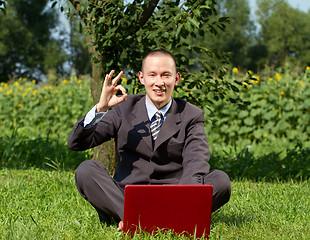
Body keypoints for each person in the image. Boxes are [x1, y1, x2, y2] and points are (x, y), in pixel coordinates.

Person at [67, 49, 231, 231]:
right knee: (86, 170)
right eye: (152, 75)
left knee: (220, 180)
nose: (159, 82)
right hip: (126, 196)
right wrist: (101, 108)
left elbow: (196, 162)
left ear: (176, 79)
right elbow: (76, 143)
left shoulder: (191, 115)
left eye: (165, 75)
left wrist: (184, 199)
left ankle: (145, 221)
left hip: (174, 196)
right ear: (141, 77)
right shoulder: (123, 109)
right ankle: (151, 218)